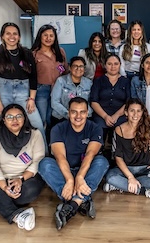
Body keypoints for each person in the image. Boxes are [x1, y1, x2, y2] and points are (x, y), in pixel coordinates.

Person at [38, 97, 109, 230]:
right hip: (65, 171)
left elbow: (90, 155)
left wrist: (80, 177)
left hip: (85, 171)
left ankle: (72, 204)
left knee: (101, 162)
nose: (78, 116)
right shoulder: (57, 129)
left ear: (87, 113)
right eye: (74, 112)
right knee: (45, 164)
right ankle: (83, 200)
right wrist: (70, 180)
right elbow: (60, 157)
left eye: (82, 112)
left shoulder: (95, 128)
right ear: (68, 112)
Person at [0, 22, 45, 143]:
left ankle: (44, 156)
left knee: (37, 124)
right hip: (2, 93)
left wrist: (32, 99)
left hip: (23, 92)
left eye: (15, 34)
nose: (11, 36)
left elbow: (33, 77)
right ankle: (2, 156)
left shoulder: (27, 53)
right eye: (8, 33)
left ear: (19, 36)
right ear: (2, 36)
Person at [103, 98, 150, 199]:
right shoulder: (119, 130)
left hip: (144, 168)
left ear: (142, 112)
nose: (135, 114)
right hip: (126, 169)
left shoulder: (147, 126)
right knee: (110, 177)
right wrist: (130, 177)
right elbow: (118, 157)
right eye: (132, 111)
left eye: (138, 111)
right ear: (126, 113)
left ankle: (121, 186)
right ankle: (145, 191)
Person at [31, 24, 68, 129]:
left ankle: (52, 143)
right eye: (45, 35)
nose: (48, 38)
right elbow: (26, 72)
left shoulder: (60, 52)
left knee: (52, 118)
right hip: (41, 90)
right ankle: (42, 144)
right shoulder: (34, 54)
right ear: (40, 36)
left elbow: (65, 70)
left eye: (51, 35)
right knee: (41, 119)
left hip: (58, 90)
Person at [90, 54, 130, 143]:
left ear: (120, 65)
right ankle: (99, 154)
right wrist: (105, 116)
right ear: (105, 65)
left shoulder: (126, 81)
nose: (113, 67)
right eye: (109, 64)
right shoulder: (98, 80)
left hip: (120, 115)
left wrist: (116, 115)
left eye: (116, 64)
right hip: (101, 115)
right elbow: (93, 101)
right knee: (98, 129)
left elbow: (128, 102)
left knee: (123, 129)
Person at [51, 56, 92, 127]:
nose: (78, 69)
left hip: (82, 118)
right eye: (75, 66)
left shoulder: (89, 83)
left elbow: (92, 103)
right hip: (62, 117)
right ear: (70, 67)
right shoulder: (61, 81)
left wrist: (83, 115)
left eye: (81, 66)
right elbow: (54, 102)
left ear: (84, 69)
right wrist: (69, 115)